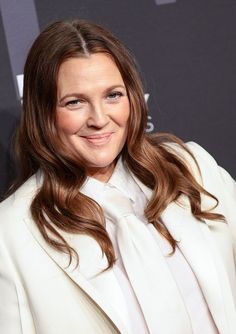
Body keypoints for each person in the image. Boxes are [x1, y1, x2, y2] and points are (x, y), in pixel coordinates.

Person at [0, 19, 235, 334]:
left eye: (112, 95)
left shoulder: (193, 168)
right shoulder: (11, 234)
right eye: (75, 102)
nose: (99, 119)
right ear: (43, 112)